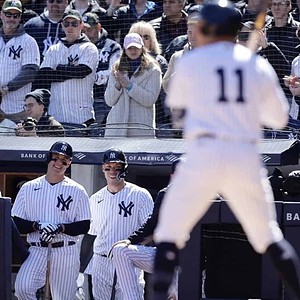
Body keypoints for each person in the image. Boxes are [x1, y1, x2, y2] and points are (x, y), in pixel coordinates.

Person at [150, 1, 300, 300]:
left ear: (209, 28)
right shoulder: (256, 63)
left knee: (168, 236)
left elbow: (177, 113)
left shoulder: (192, 61)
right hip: (244, 155)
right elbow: (280, 119)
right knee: (268, 236)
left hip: (202, 153)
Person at [11, 141, 91, 300]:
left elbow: (84, 225)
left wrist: (60, 228)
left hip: (65, 251)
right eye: (55, 158)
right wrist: (37, 225)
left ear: (69, 164)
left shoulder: (77, 190)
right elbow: (16, 222)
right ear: (48, 158)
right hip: (37, 250)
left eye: (64, 160)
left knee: (64, 297)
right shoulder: (28, 187)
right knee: (22, 288)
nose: (58, 163)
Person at [79, 148, 154, 300]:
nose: (112, 171)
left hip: (128, 260)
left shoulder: (140, 194)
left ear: (124, 168)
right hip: (101, 260)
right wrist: (80, 270)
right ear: (103, 168)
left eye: (117, 167)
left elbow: (151, 229)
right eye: (108, 167)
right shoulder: (95, 198)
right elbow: (90, 236)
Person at [111, 157, 183, 300]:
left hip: (191, 262)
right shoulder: (166, 194)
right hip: (165, 256)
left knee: (175, 294)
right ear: (173, 176)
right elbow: (151, 225)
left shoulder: (208, 197)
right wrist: (129, 240)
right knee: (120, 250)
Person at [34, 9, 99, 126]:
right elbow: (43, 74)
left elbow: (81, 71)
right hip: (56, 116)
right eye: (66, 23)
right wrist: (69, 71)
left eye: (74, 24)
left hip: (82, 115)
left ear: (81, 25)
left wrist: (58, 68)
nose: (70, 27)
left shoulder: (89, 48)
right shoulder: (53, 49)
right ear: (62, 26)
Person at [104, 32, 162, 137]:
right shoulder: (116, 68)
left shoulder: (154, 70)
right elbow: (109, 101)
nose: (133, 51)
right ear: (124, 49)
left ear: (142, 48)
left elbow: (150, 100)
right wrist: (118, 85)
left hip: (140, 129)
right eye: (130, 48)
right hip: (116, 129)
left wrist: (129, 85)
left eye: (136, 47)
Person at [0, 0, 40, 123]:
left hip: (17, 108)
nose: (12, 18)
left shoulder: (28, 41)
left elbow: (30, 72)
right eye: (8, 14)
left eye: (16, 15)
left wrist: (6, 88)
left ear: (20, 17)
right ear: (1, 14)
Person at [82, 12, 122, 126]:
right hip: (83, 99)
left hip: (104, 100)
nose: (86, 34)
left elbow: (113, 72)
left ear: (98, 27)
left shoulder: (113, 47)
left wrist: (92, 77)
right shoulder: (79, 46)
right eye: (83, 30)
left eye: (89, 30)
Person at [128, 20, 170, 128]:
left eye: (146, 37)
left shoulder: (159, 61)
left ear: (152, 41)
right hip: (127, 115)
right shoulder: (122, 62)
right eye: (138, 37)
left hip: (156, 118)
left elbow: (165, 92)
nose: (142, 41)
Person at [162, 10, 199, 93]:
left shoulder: (211, 56)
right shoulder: (176, 57)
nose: (192, 36)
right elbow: (166, 87)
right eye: (190, 32)